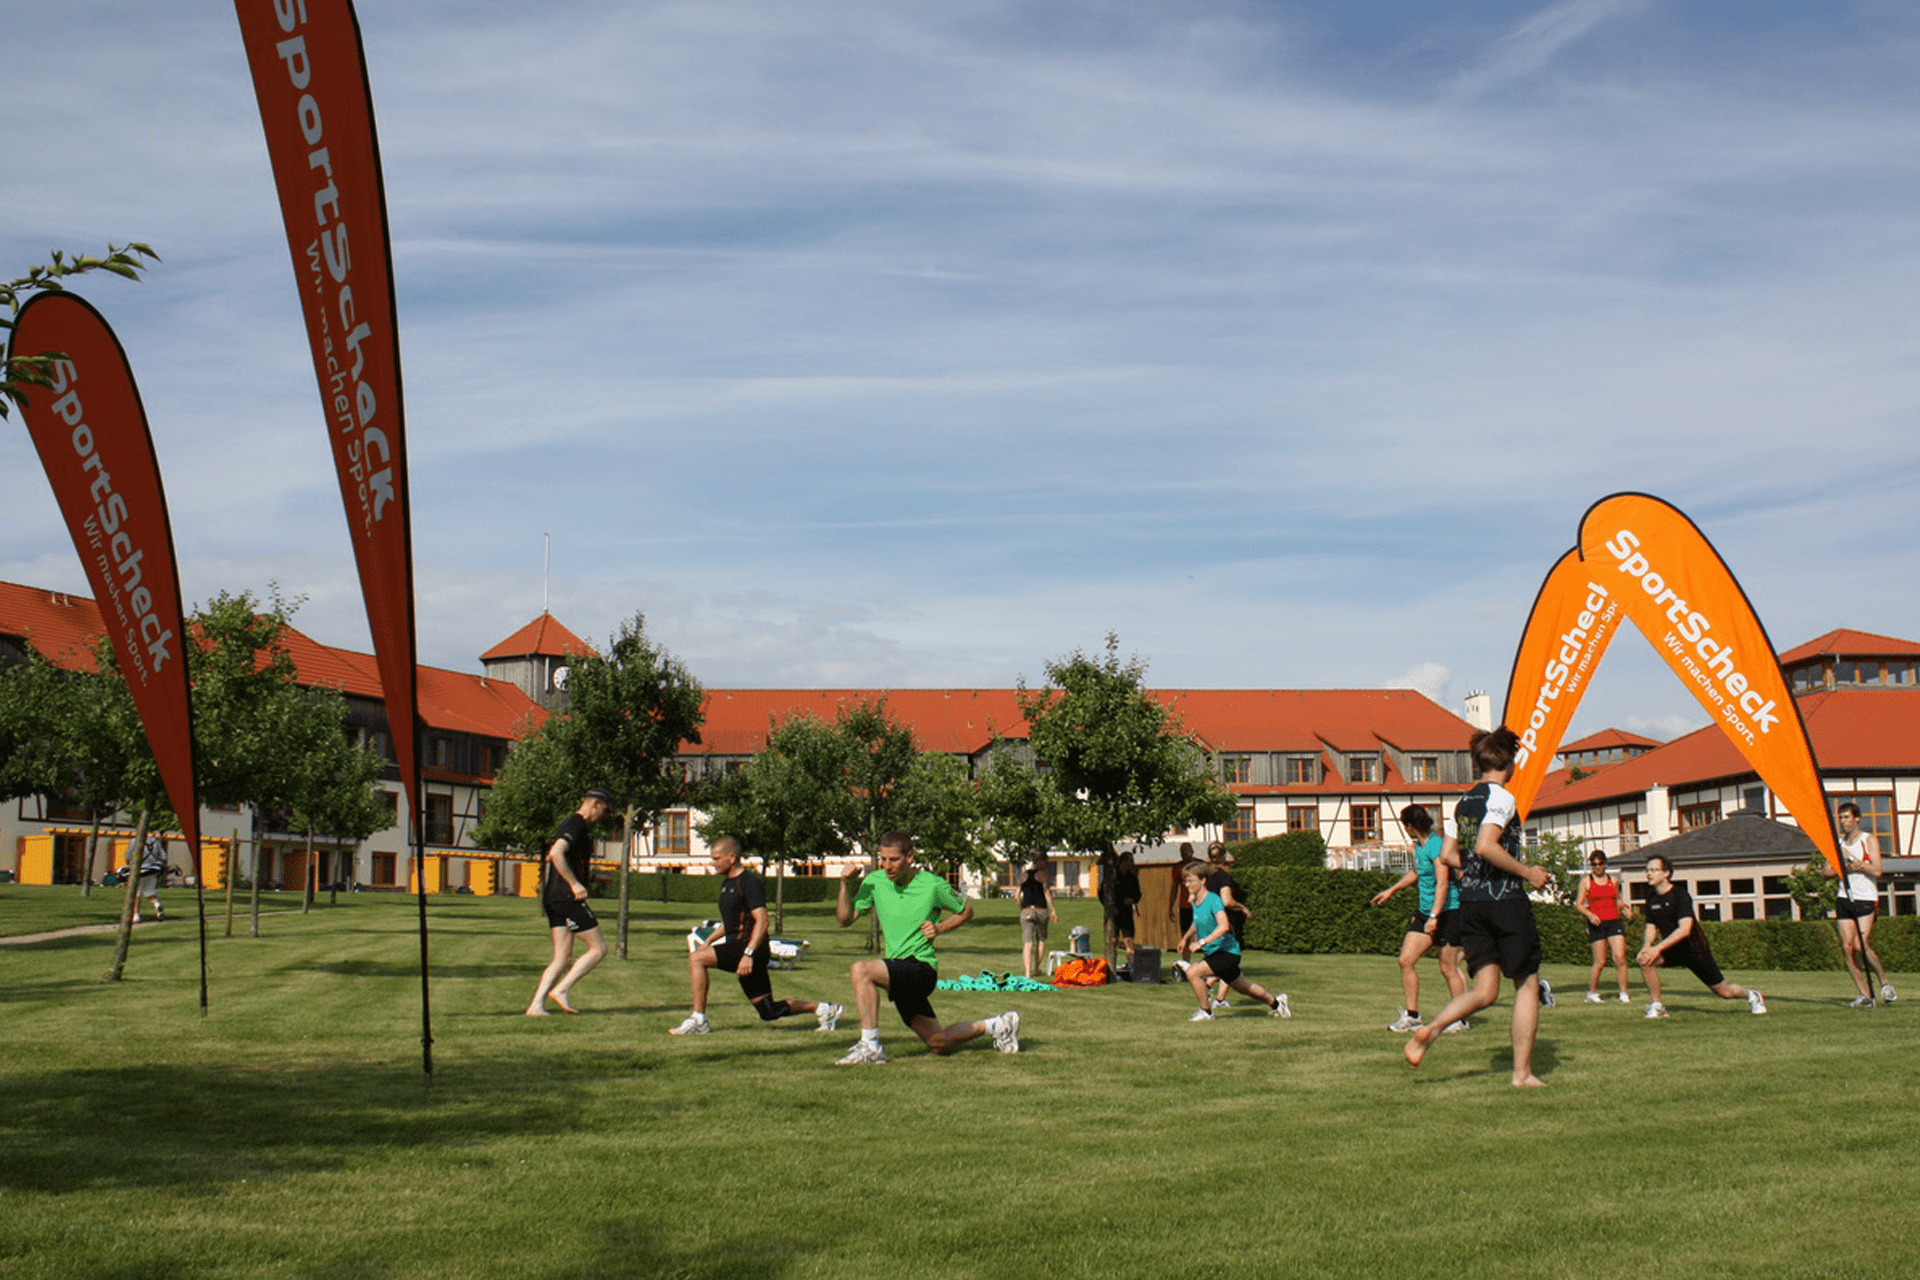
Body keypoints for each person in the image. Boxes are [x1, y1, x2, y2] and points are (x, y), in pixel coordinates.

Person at [1404, 726, 1554, 1087]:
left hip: (1470, 904)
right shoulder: (1501, 797)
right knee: (1527, 984)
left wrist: (1473, 868)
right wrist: (1528, 873)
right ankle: (1522, 1074)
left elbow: (1447, 855)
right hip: (1504, 902)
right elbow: (1487, 845)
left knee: (1486, 991)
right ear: (1509, 762)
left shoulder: (1462, 801)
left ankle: (1431, 1028)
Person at [832, 832, 1020, 1064]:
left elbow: (966, 911)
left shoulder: (932, 885)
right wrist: (845, 884)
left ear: (909, 857)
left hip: (921, 969)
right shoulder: (875, 882)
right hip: (898, 971)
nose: (887, 866)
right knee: (938, 1042)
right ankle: (999, 1025)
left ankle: (870, 1047)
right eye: (883, 859)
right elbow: (844, 920)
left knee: (861, 970)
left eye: (894, 860)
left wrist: (940, 927)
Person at [669, 835, 843, 1035]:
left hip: (751, 949)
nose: (713, 863)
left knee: (696, 960)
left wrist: (748, 954)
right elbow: (731, 923)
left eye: (716, 858)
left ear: (732, 856)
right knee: (768, 1011)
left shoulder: (749, 882)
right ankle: (825, 1009)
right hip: (741, 948)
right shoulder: (727, 884)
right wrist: (708, 941)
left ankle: (698, 1019)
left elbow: (762, 921)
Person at [1369, 805, 1465, 1032]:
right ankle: (1412, 1016)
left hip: (1448, 912)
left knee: (1448, 968)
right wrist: (1392, 890)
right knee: (1406, 960)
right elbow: (1417, 872)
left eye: (1405, 825)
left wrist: (1434, 916)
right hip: (1425, 912)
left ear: (1410, 826)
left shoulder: (1437, 846)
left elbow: (1443, 883)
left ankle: (1460, 1019)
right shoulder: (1419, 847)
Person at [1636, 854, 1766, 1018]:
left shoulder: (1680, 895)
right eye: (1647, 870)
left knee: (1724, 992)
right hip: (1672, 949)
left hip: (1694, 949)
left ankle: (1752, 995)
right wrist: (1647, 947)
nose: (1649, 873)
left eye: (1654, 870)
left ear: (1667, 873)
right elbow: (1651, 926)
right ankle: (1658, 1006)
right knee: (1645, 959)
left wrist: (1658, 948)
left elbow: (1685, 929)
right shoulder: (1651, 897)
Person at [525, 787, 613, 1016]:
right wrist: (575, 884)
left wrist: (590, 878)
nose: (602, 817)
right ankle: (562, 990)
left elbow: (569, 861)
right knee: (599, 948)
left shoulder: (579, 827)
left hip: (554, 898)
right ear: (595, 804)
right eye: (604, 811)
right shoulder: (575, 824)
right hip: (566, 898)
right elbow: (556, 853)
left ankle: (536, 1006)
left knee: (562, 956)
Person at [1176, 863, 1289, 1020]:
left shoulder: (1213, 900)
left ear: (1203, 880)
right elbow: (1197, 922)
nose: (1187, 885)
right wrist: (1185, 938)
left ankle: (1206, 1012)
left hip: (1227, 952)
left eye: (1191, 880)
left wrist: (1201, 942)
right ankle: (1277, 1003)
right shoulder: (1195, 901)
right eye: (1185, 881)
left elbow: (1224, 926)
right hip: (1215, 952)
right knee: (1244, 987)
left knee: (1193, 972)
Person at [1827, 801, 1896, 1007]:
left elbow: (1877, 870)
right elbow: (1826, 871)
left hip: (1865, 897)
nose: (1843, 822)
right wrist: (1843, 867)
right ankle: (1865, 994)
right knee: (1847, 947)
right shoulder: (1837, 844)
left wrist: (1859, 864)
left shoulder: (1869, 840)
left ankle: (1884, 983)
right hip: (1844, 897)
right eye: (1840, 818)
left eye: (1846, 817)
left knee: (1860, 945)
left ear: (1857, 819)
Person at [1576, 851, 1632, 1004]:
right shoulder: (1586, 882)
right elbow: (1579, 905)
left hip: (1614, 920)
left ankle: (1624, 993)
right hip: (1597, 923)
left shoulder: (1613, 880)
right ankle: (1592, 993)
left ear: (1605, 864)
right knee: (1600, 962)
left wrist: (1625, 908)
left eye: (1600, 864)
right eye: (1594, 865)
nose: (1598, 867)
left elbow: (1617, 900)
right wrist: (1590, 915)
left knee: (1620, 958)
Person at [1202, 841, 1252, 1007]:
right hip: (1224, 922)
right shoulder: (1223, 876)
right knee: (1230, 960)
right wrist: (1243, 908)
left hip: (1208, 921)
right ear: (1223, 856)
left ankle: (1218, 996)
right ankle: (1214, 992)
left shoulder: (1206, 877)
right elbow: (1228, 901)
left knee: (1220, 958)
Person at [1016, 860, 1058, 980]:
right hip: (1041, 910)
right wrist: (1053, 909)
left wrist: (1021, 907)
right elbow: (1047, 893)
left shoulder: (1022, 876)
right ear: (1040, 862)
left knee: (1027, 942)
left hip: (1027, 910)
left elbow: (1016, 896)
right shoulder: (1043, 875)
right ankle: (1036, 968)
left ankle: (1028, 973)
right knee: (1041, 939)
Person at [1108, 850, 1142, 967]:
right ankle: (1112, 966)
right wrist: (1110, 907)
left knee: (1129, 941)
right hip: (1114, 914)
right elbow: (1103, 893)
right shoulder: (1112, 876)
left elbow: (1138, 894)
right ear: (1123, 861)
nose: (1132, 863)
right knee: (1113, 941)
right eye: (1130, 861)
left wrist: (1133, 900)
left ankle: (1131, 966)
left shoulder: (1132, 877)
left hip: (1126, 913)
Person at [133, 833, 167, 923]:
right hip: (152, 870)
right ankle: (157, 904)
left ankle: (136, 915)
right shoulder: (157, 842)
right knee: (150, 892)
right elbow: (163, 856)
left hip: (139, 870)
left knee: (136, 894)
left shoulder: (135, 841)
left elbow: (128, 856)